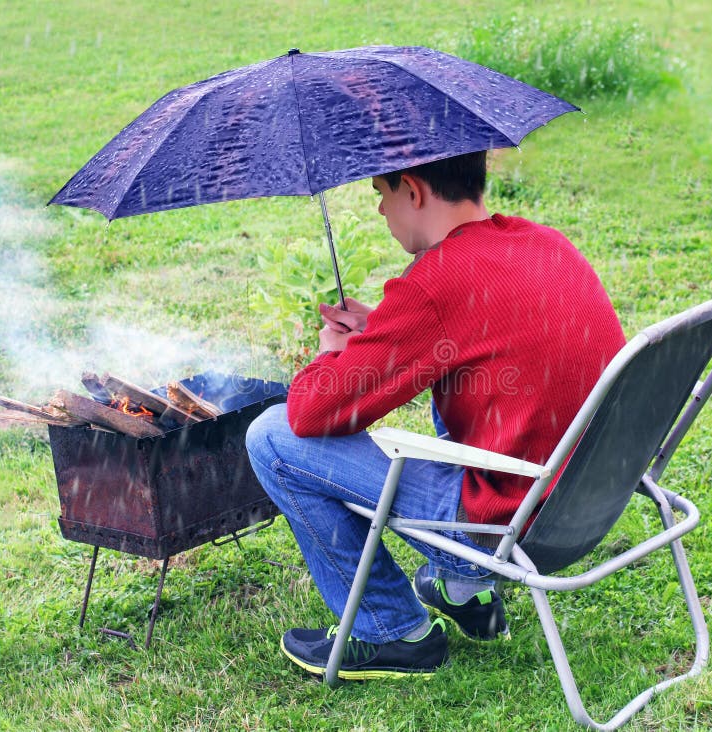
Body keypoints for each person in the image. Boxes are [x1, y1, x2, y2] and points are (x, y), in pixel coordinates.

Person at [245, 150, 625, 679]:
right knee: (461, 378)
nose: (381, 210)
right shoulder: (543, 242)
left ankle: (387, 630)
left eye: (381, 193)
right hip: (588, 505)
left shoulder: (436, 282)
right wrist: (384, 331)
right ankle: (467, 595)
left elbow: (310, 415)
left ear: (413, 190)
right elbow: (477, 336)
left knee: (269, 437)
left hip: (510, 531)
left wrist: (331, 352)